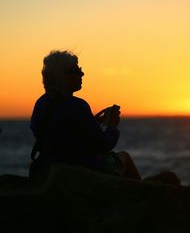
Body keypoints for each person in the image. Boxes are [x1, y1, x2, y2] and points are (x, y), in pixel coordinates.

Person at [29, 50, 141, 179]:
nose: (82, 74)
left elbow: (62, 131)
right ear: (62, 76)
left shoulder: (41, 103)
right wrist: (112, 126)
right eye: (77, 71)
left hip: (49, 166)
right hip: (80, 170)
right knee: (124, 157)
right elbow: (103, 145)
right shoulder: (78, 105)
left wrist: (94, 121)